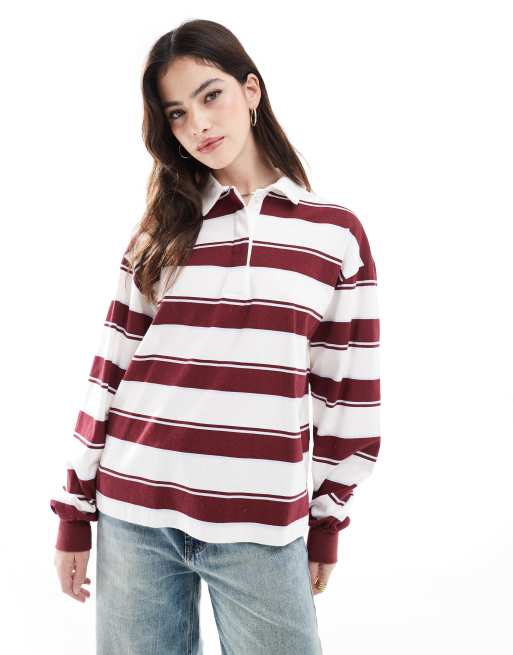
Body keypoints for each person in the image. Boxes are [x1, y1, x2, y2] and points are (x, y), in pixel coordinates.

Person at [51, 18, 381, 655]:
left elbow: (346, 394)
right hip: (135, 512)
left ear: (251, 90)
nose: (198, 124)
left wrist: (328, 518)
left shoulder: (335, 235)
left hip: (261, 523)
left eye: (211, 96)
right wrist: (74, 509)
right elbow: (110, 369)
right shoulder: (160, 231)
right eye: (177, 113)